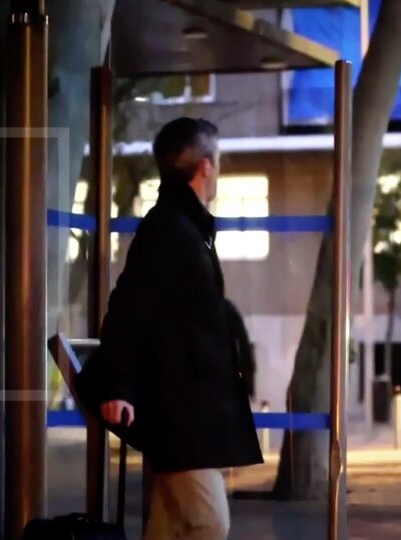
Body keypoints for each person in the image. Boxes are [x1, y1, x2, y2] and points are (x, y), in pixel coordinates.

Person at [97, 117, 263, 539]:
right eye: (219, 161)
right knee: (209, 522)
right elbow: (128, 307)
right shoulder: (170, 229)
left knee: (169, 527)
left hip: (190, 411)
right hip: (178, 413)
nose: (220, 170)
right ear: (205, 166)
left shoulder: (187, 228)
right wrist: (118, 386)